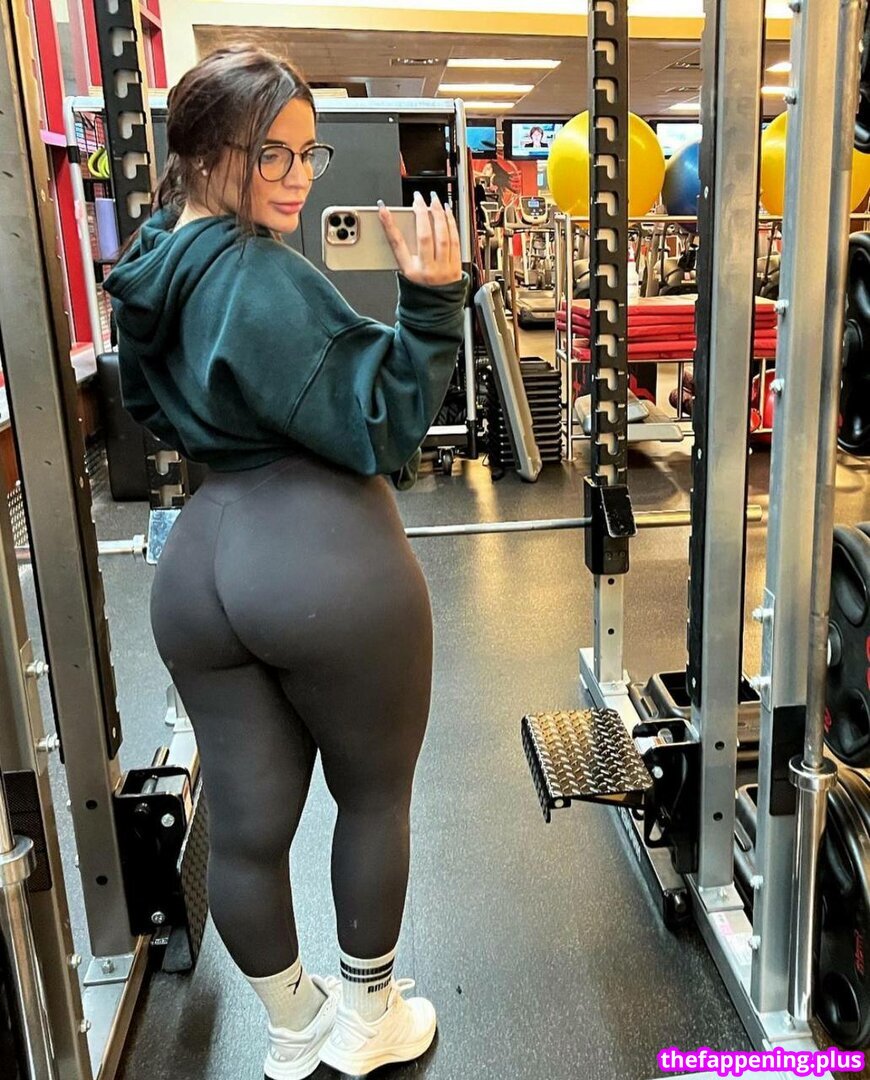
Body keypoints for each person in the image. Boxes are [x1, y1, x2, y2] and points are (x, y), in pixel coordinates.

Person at [105, 45, 468, 1080]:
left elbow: (145, 404)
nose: (300, 177)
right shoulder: (259, 274)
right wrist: (433, 299)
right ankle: (368, 1019)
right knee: (374, 796)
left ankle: (292, 1026)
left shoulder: (150, 263)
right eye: (274, 155)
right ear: (208, 152)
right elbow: (385, 424)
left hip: (202, 565)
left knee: (248, 827)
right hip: (321, 559)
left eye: (309, 154)